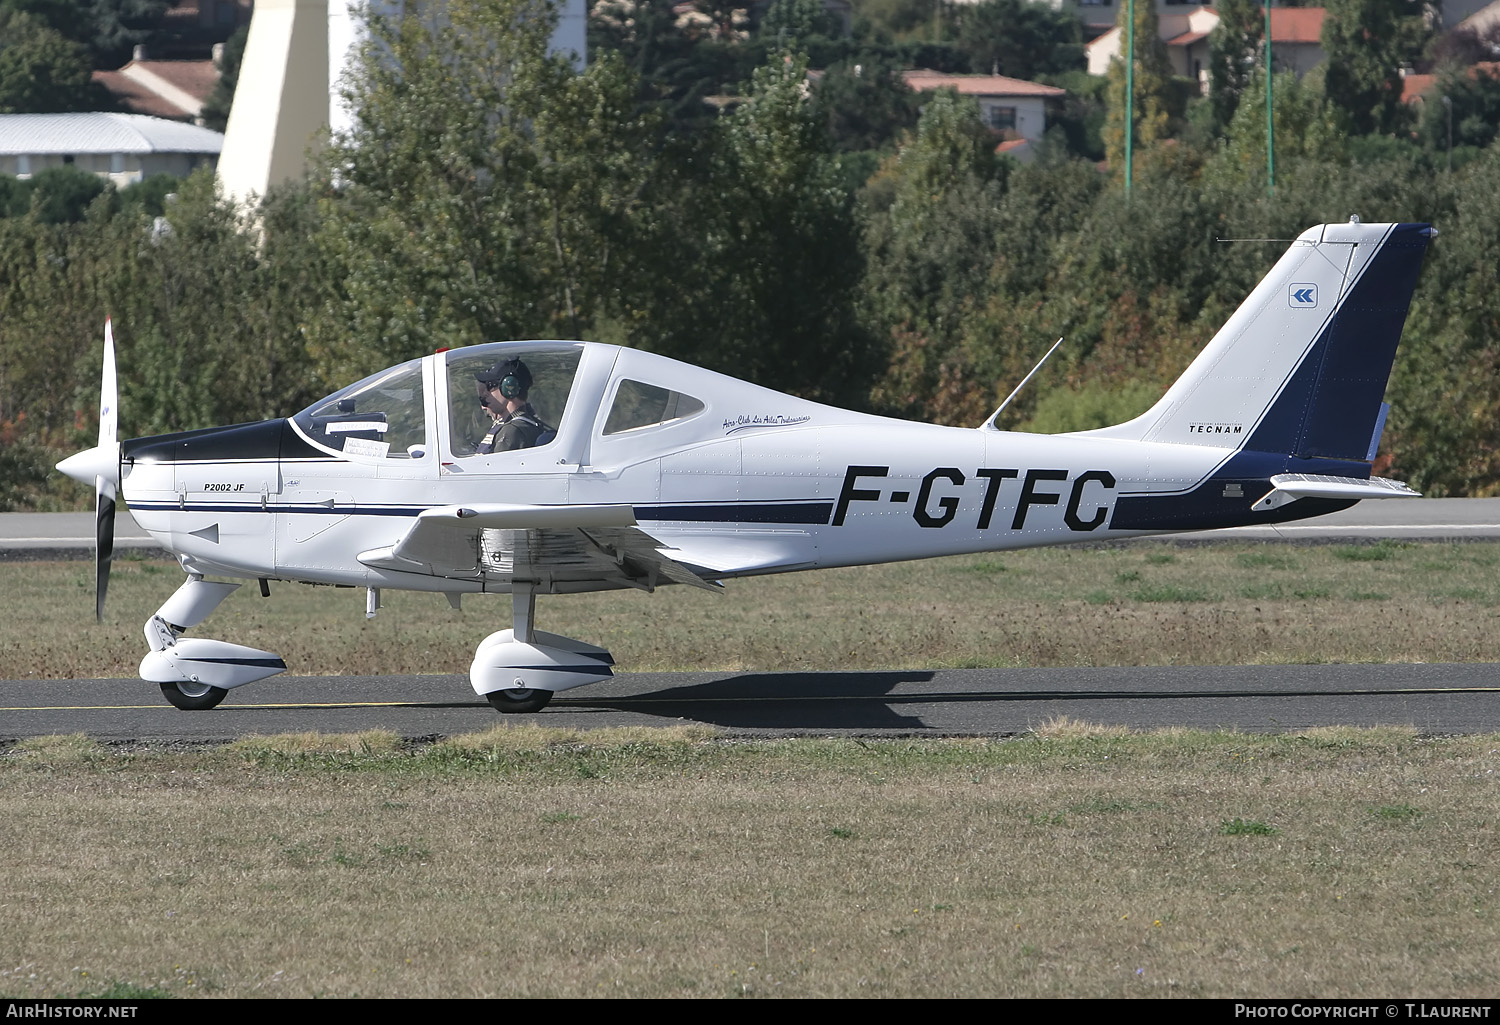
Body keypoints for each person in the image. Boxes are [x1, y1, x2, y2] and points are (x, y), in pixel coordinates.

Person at [474, 358, 550, 453]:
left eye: (490, 386)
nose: (487, 394)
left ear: (508, 388)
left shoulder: (512, 431)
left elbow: (494, 467)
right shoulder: (527, 423)